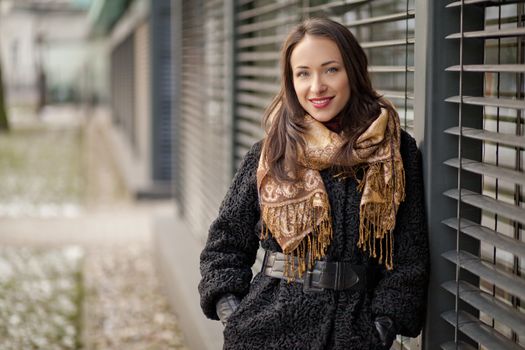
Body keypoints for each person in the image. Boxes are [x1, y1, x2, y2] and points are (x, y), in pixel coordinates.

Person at [199, 17, 429, 350]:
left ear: (353, 71)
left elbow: (410, 258)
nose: (316, 86)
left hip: (351, 334)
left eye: (331, 69)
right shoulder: (271, 151)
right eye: (303, 73)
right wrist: (233, 315)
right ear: (291, 81)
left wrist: (381, 327)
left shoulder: (393, 151)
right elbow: (224, 245)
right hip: (263, 329)